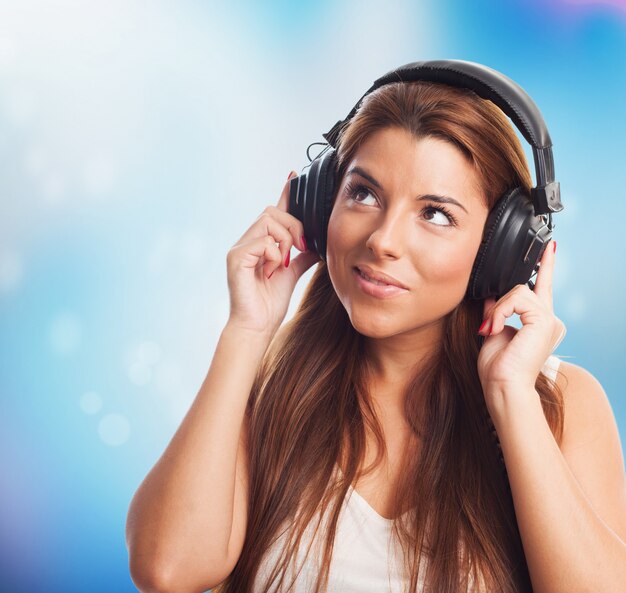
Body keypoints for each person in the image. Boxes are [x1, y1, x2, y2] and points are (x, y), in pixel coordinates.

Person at [126, 63, 626, 593]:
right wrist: (247, 330)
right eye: (363, 194)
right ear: (322, 204)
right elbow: (167, 570)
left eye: (435, 214)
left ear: (502, 251)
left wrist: (511, 398)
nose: (383, 241)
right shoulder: (268, 391)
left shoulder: (559, 404)